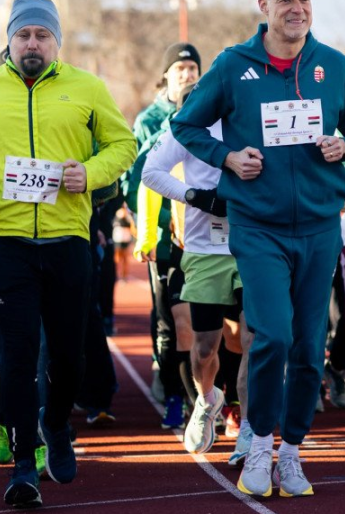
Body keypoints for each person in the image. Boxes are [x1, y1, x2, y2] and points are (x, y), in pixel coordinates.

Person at [171, 0, 345, 498]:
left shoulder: (332, 65)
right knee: (274, 336)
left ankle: (291, 453)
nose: (297, 8)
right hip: (257, 226)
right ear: (263, 7)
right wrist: (227, 157)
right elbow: (185, 123)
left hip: (318, 226)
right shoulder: (233, 65)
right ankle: (258, 445)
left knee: (311, 347)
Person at [0, 0, 135, 508]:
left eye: (42, 35)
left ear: (56, 42)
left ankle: (57, 422)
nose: (33, 43)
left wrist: (88, 174)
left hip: (67, 239)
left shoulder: (86, 87)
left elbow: (124, 145)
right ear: (9, 40)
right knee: (17, 358)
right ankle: (25, 464)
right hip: (6, 240)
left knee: (68, 355)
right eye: (24, 34)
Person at [142, 96, 252, 463]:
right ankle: (207, 401)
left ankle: (250, 429)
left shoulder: (254, 113)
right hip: (206, 249)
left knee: (252, 338)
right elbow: (150, 171)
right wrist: (194, 196)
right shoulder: (189, 122)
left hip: (255, 244)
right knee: (205, 346)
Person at [130, 42, 201, 419]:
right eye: (180, 69)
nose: (188, 74)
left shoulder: (214, 117)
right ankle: (175, 392)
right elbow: (139, 182)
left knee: (216, 323)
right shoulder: (152, 123)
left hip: (212, 240)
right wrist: (152, 233)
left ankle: (213, 396)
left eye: (193, 68)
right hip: (168, 240)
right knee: (170, 321)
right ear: (166, 76)